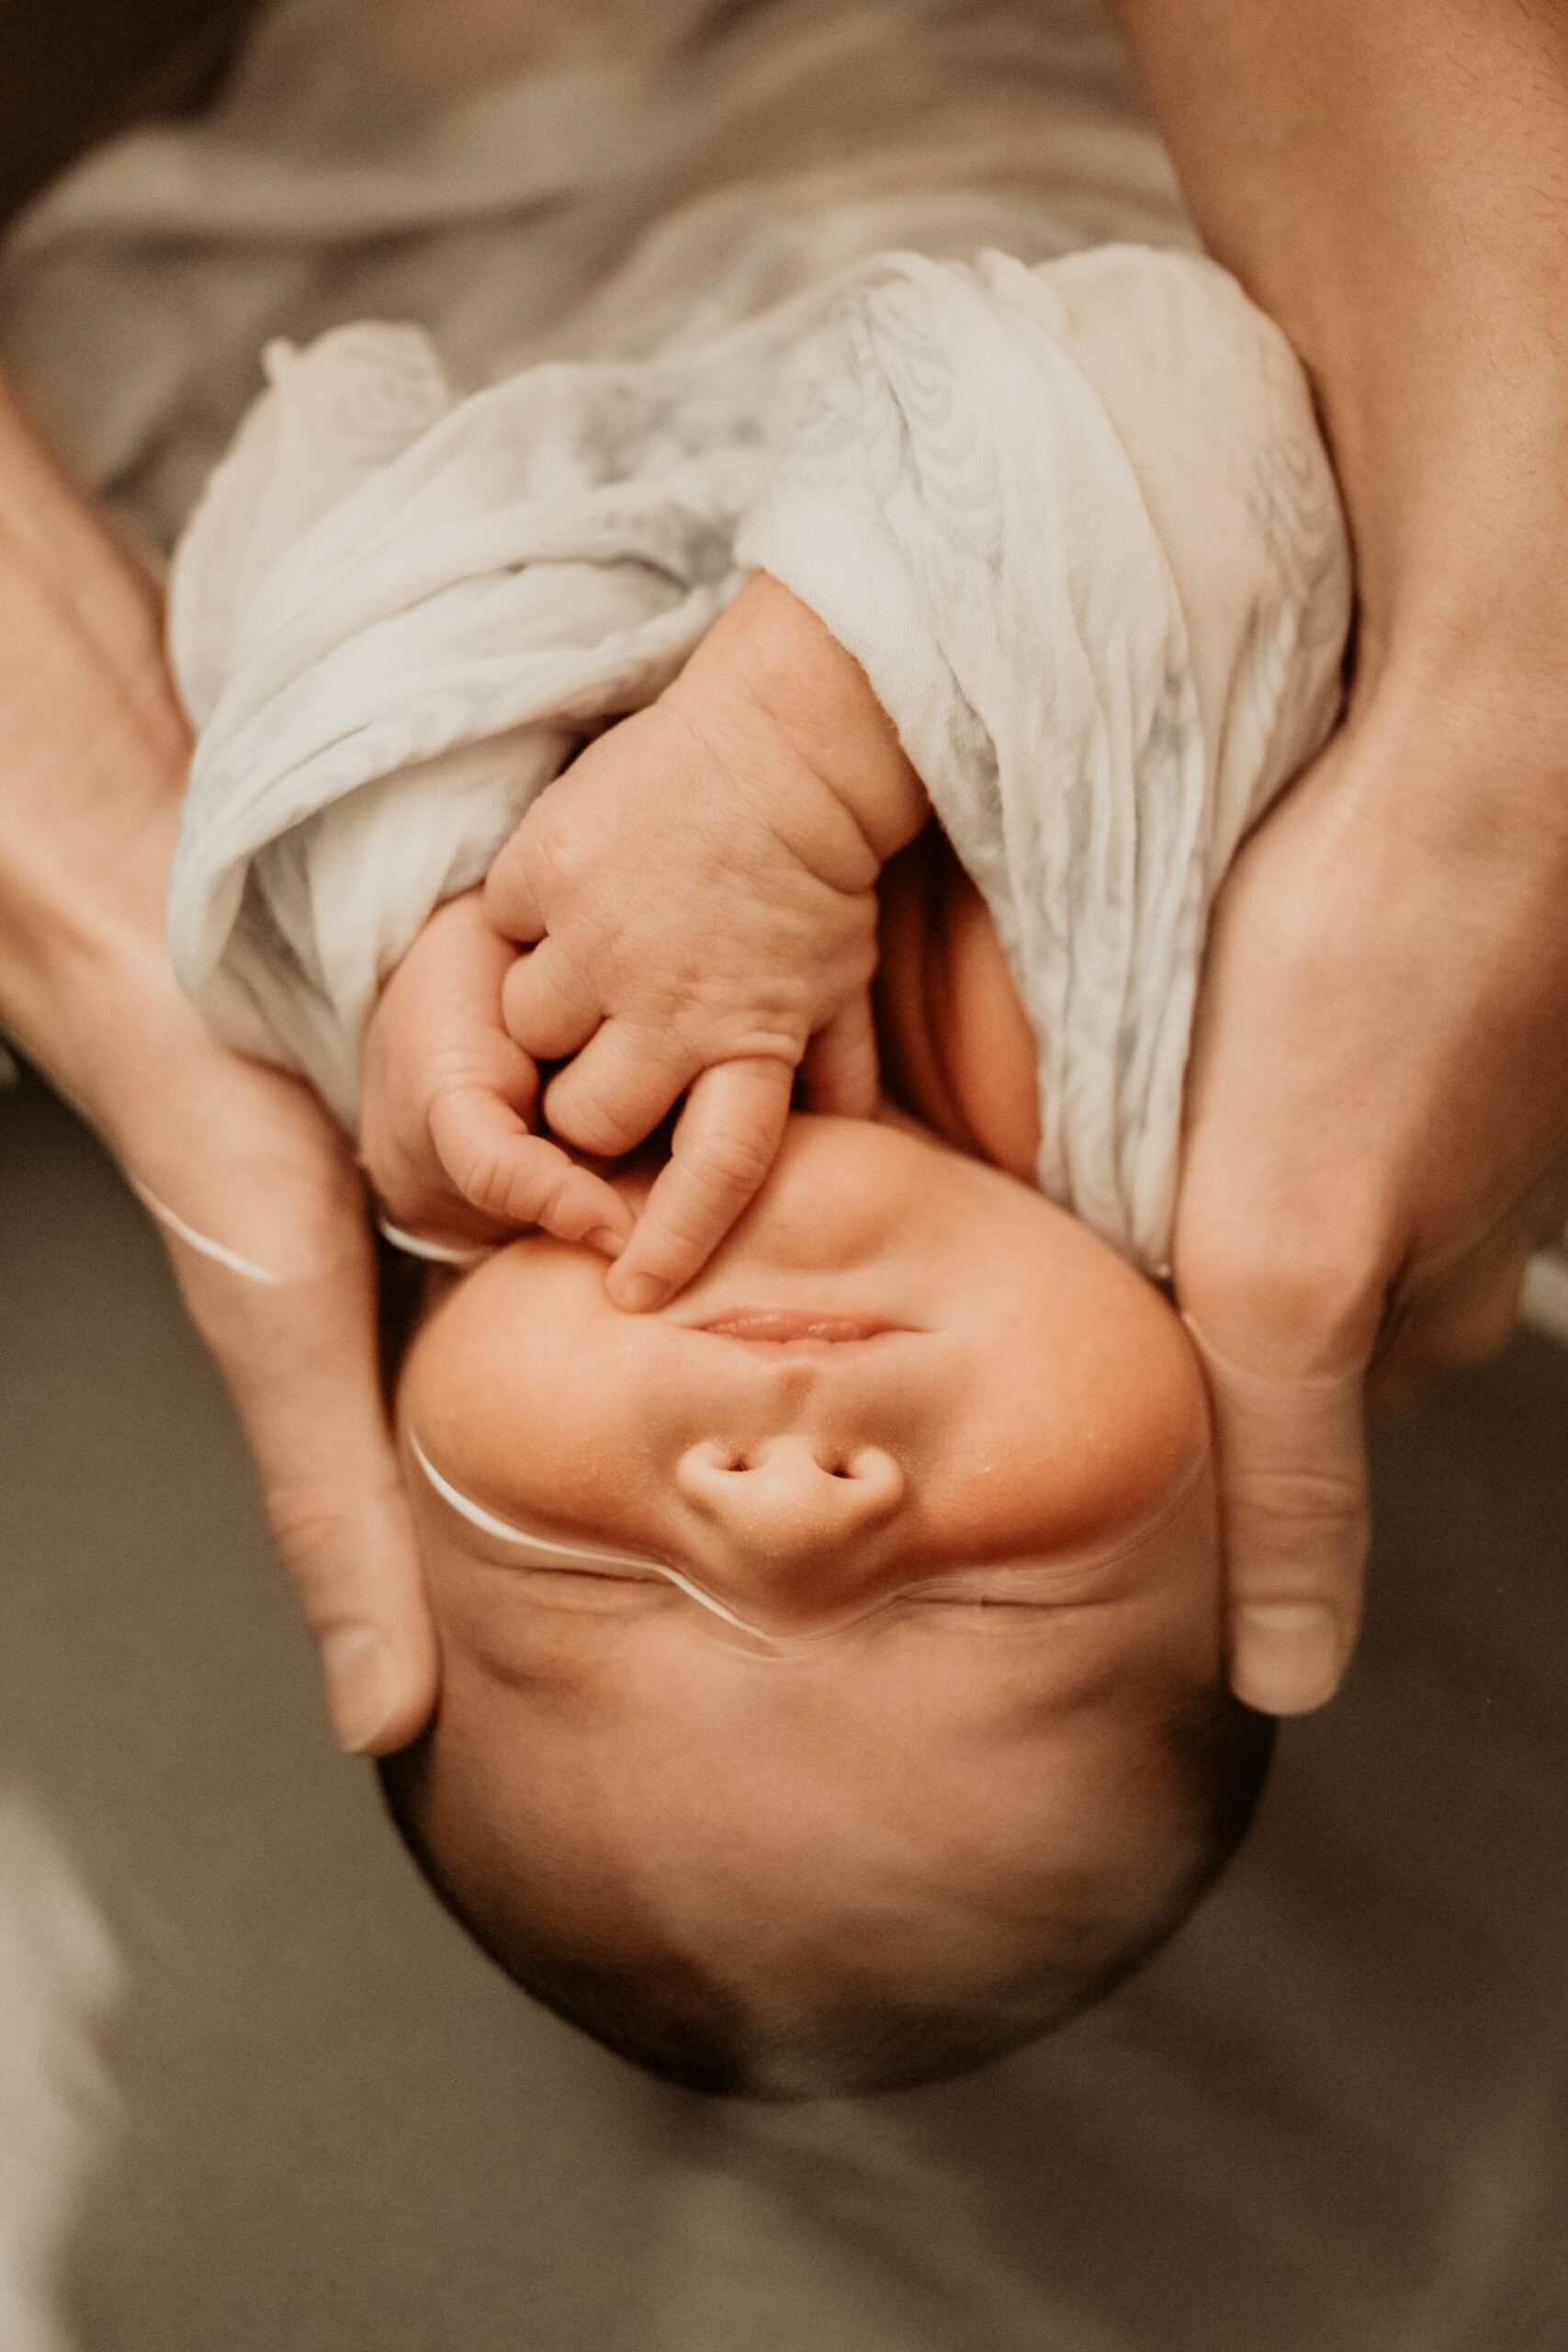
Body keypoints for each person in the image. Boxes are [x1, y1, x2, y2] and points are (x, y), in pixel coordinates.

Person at [4, 0, 1568, 1761]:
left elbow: (321, 462)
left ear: (404, 1389)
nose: (786, 1508)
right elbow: (1178, 385)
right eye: (989, 1600)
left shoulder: (454, 1050)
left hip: (524, 168)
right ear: (1251, 1470)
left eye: (590, 1573)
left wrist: (397, 897)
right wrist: (781, 775)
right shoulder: (1191, 1068)